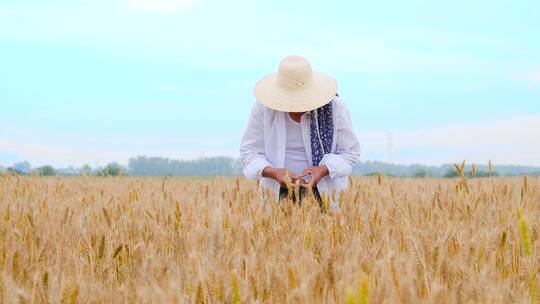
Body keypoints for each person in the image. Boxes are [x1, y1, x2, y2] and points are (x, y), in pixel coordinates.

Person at [239, 55, 361, 209]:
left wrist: (322, 170)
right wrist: (273, 172)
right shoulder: (263, 109)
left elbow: (350, 151)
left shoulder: (335, 108)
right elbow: (249, 152)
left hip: (325, 191)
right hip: (276, 194)